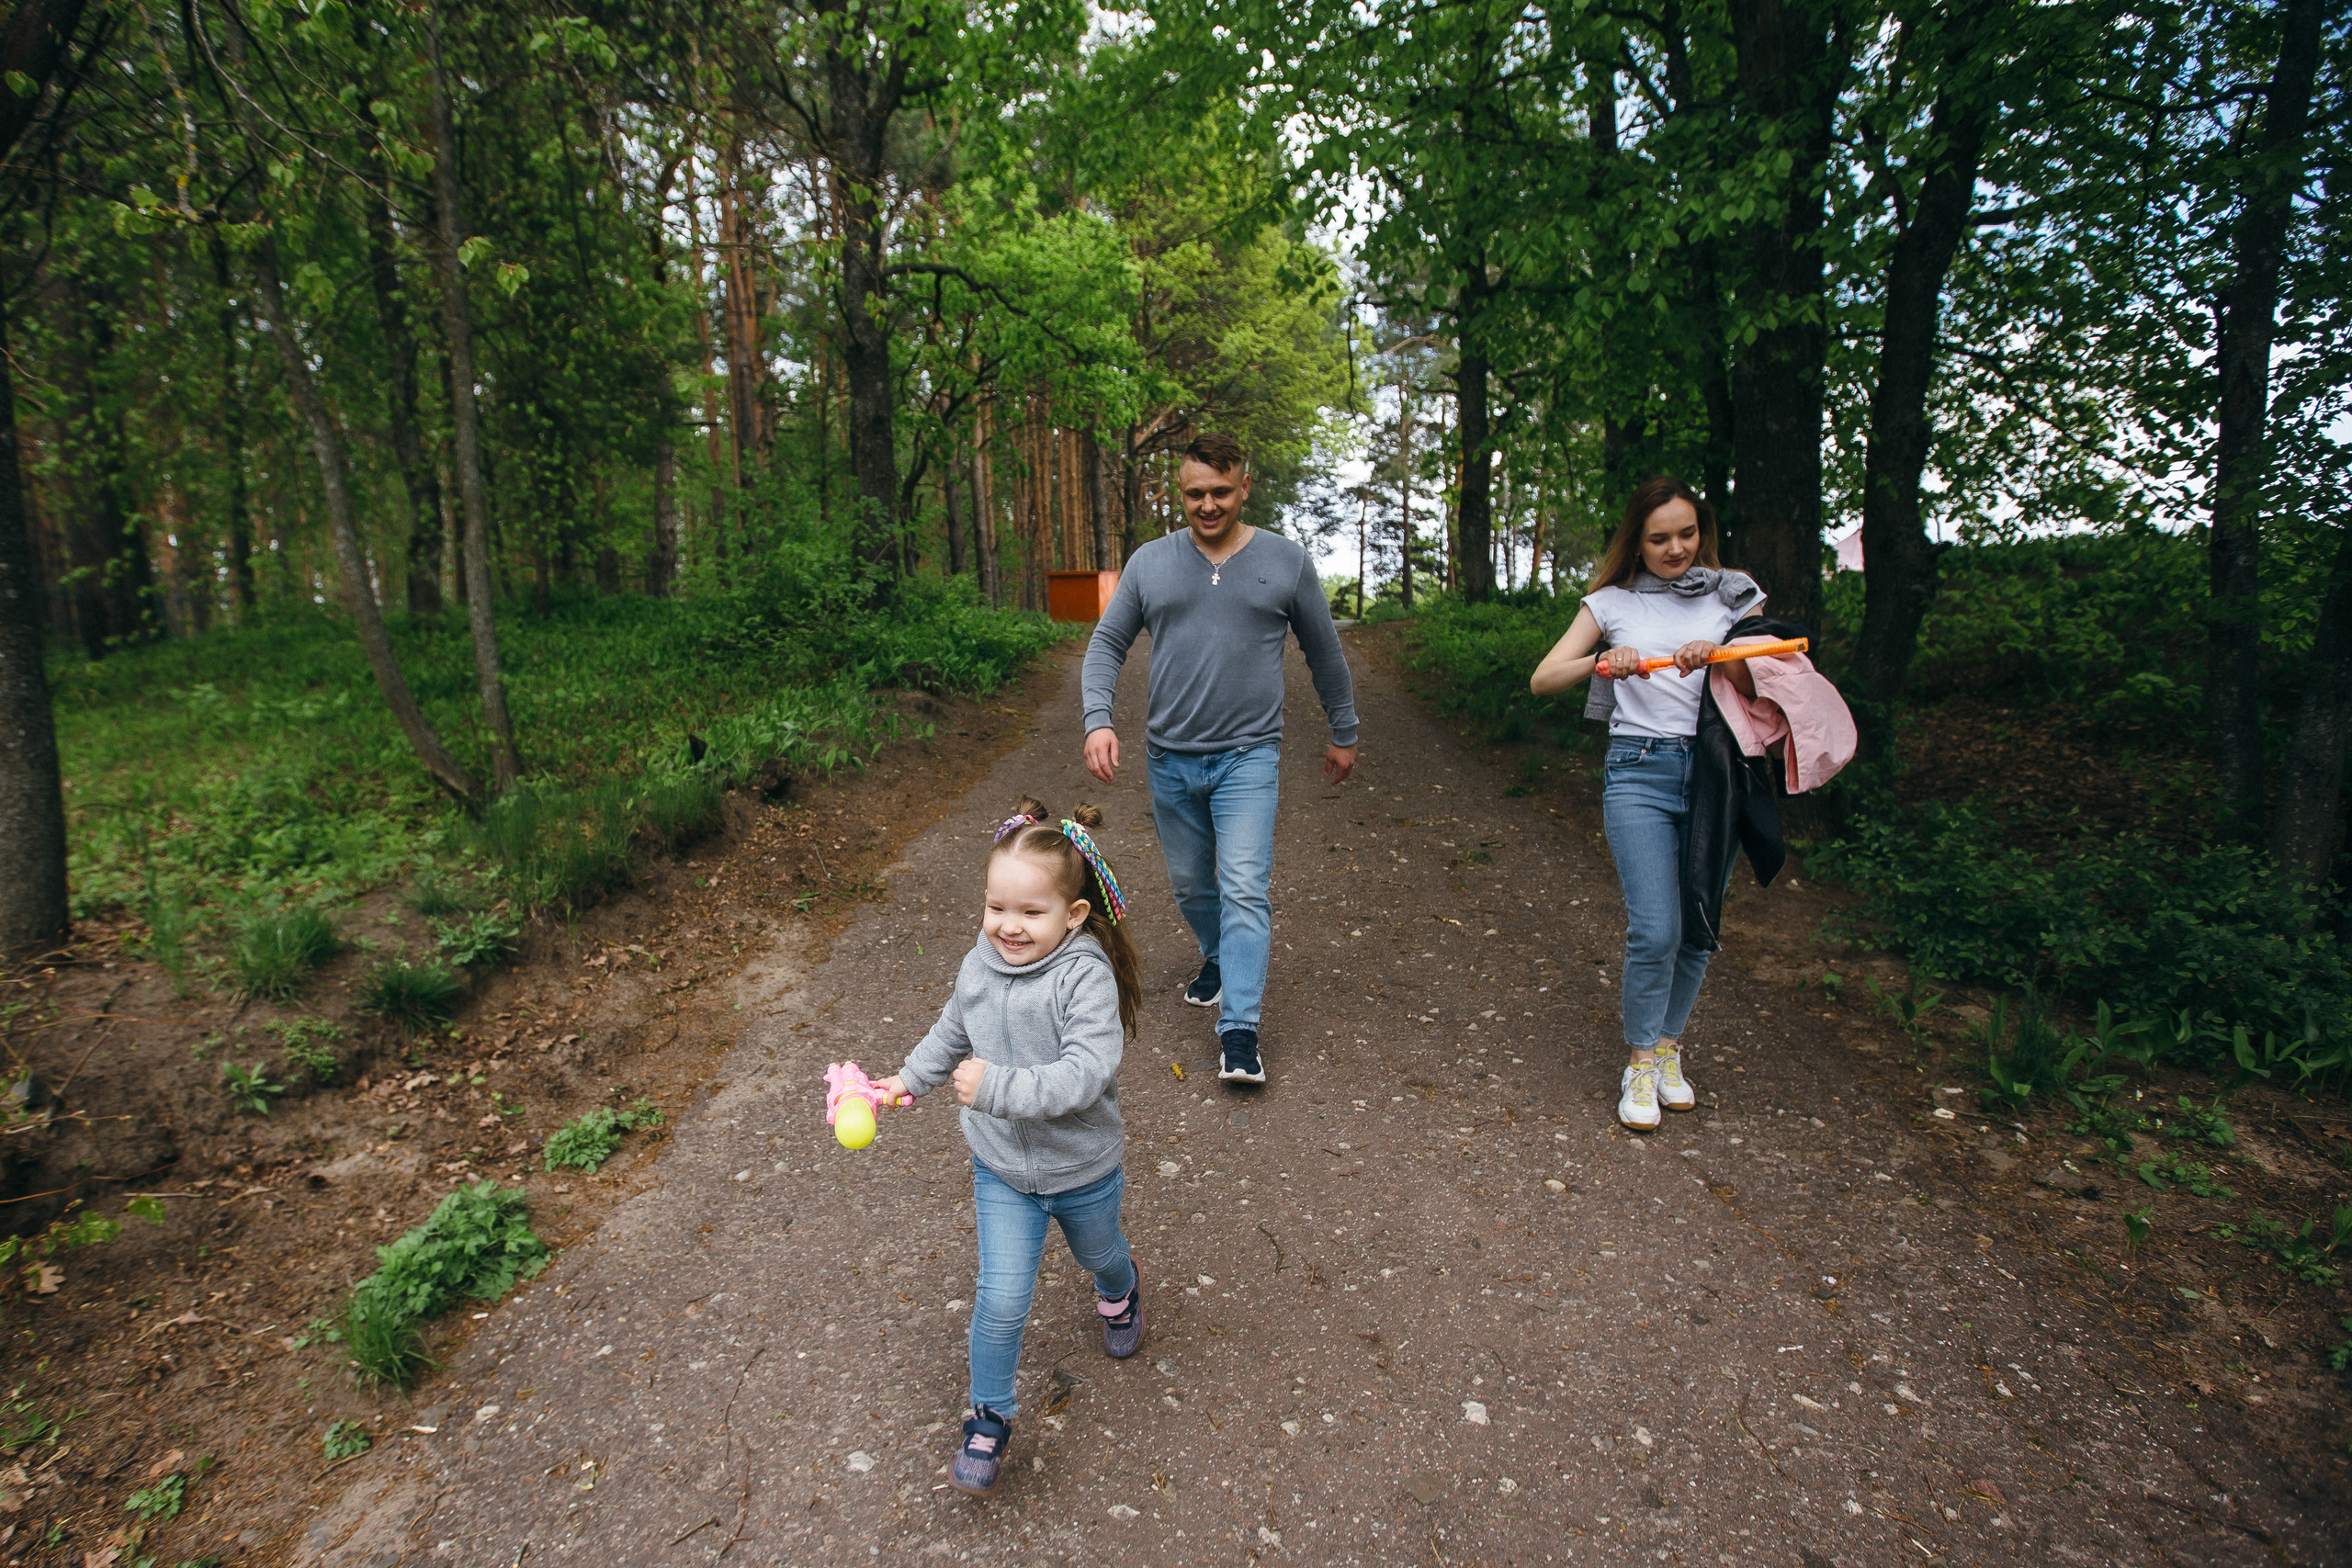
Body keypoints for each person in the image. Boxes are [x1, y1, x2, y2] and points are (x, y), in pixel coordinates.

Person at [876, 799, 1147, 1498]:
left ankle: (1120, 1289)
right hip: (1003, 1170)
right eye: (997, 906)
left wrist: (996, 1086)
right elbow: (951, 1030)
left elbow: (1087, 1073)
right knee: (1000, 1299)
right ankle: (989, 1415)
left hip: (1082, 1168)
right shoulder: (980, 962)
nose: (1008, 925)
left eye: (1030, 911)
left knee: (1099, 1252)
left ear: (1074, 916)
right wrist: (904, 1081)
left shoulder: (1082, 976)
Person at [1080, 432, 1359, 1085]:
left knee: (1242, 887)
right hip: (1170, 758)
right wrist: (1098, 720)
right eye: (1194, 494)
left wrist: (1343, 730)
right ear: (1180, 493)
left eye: (1220, 492)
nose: (1207, 505)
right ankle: (1215, 953)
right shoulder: (1151, 562)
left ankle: (1239, 1031)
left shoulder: (1285, 562)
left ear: (1245, 487)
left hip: (1248, 756)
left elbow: (1325, 653)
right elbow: (1105, 646)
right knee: (1191, 885)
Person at [1528, 476, 1766, 1132]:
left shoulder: (1733, 592)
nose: (1675, 548)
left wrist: (1721, 657)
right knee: (1656, 926)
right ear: (1637, 540)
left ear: (1702, 530)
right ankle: (1639, 1060)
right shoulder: (1610, 602)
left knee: (1698, 926)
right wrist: (1604, 660)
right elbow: (1543, 676)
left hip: (1718, 772)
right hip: (1639, 769)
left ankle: (1668, 1049)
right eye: (1659, 537)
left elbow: (1767, 680)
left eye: (1686, 533)